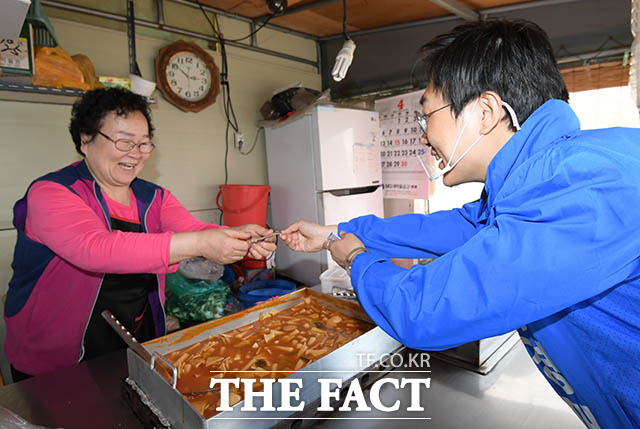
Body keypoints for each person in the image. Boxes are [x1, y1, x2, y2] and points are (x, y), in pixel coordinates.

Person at [281, 19, 640, 429]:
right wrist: (337, 233)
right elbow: (455, 228)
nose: (423, 135)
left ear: (485, 112)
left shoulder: (586, 185)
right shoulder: (532, 183)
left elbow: (423, 310)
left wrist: (356, 259)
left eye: (427, 115)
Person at [5, 88, 276, 381]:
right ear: (86, 139)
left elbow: (193, 230)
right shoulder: (52, 193)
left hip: (134, 340)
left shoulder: (153, 197)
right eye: (124, 142)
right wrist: (202, 243)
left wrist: (237, 237)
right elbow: (95, 248)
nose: (135, 154)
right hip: (56, 362)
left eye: (143, 144)